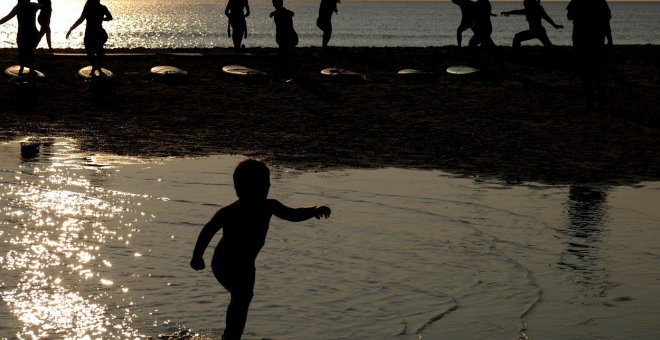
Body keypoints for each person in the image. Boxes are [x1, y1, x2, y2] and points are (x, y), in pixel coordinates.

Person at [190, 159, 331, 340]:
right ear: (239, 189)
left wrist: (314, 210)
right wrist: (197, 256)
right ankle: (230, 336)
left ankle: (232, 336)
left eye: (267, 185)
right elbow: (208, 230)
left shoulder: (269, 206)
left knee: (243, 299)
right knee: (242, 295)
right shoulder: (229, 212)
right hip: (224, 263)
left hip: (247, 265)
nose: (265, 189)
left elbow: (292, 214)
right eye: (259, 186)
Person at [567, 0, 612, 107]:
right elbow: (606, 20)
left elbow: (569, 16)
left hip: (582, 38)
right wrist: (609, 39)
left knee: (586, 71)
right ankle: (598, 99)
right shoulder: (600, 2)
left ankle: (591, 100)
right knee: (595, 71)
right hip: (595, 38)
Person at [66, 0, 113, 77]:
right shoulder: (103, 8)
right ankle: (98, 68)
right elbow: (110, 17)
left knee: (90, 51)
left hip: (90, 33)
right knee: (99, 50)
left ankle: (95, 66)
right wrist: (102, 19)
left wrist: (71, 29)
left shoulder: (88, 7)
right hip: (100, 32)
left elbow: (81, 19)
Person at [0, 0, 41, 78]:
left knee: (21, 52)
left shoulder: (18, 7)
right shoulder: (34, 5)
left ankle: (22, 68)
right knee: (31, 52)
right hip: (34, 32)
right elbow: (42, 5)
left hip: (23, 33)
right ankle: (31, 69)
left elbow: (7, 18)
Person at [270, 0, 298, 78]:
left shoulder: (284, 12)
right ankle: (286, 71)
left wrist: (275, 13)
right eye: (273, 3)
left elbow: (291, 13)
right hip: (283, 37)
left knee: (284, 54)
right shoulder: (278, 12)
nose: (273, 4)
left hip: (288, 36)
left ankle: (287, 72)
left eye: (274, 3)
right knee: (284, 54)